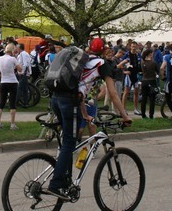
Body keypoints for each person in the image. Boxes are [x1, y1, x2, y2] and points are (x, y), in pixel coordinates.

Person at [45, 38, 132, 198]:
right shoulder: (101, 65)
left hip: (56, 98)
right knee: (70, 143)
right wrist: (125, 116)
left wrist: (85, 115)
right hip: (68, 102)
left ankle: (66, 180)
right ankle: (56, 184)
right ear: (104, 50)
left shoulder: (80, 59)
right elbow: (113, 94)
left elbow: (79, 89)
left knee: (67, 141)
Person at [0, 43, 22, 130]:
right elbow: (20, 69)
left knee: (1, 103)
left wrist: (2, 70)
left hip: (3, 82)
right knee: (12, 103)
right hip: (13, 82)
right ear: (12, 51)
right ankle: (12, 124)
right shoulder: (13, 59)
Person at [139, 48, 159, 119]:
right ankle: (151, 115)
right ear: (150, 54)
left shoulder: (142, 62)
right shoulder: (154, 63)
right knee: (152, 99)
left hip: (144, 81)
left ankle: (143, 114)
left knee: (144, 99)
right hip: (152, 81)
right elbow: (157, 70)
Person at [15, 43, 32, 107]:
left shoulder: (23, 54)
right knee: (24, 88)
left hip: (23, 74)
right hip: (23, 73)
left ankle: (16, 102)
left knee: (19, 88)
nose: (16, 48)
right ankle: (25, 103)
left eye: (17, 47)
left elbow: (25, 64)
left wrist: (22, 72)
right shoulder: (22, 54)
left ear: (20, 48)